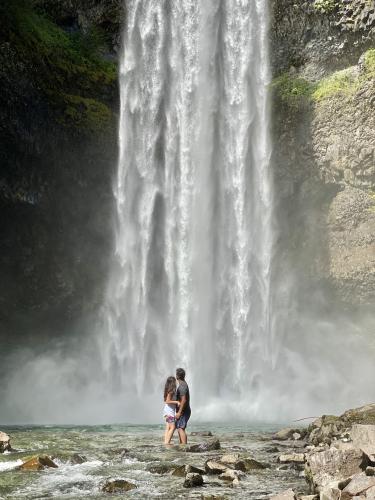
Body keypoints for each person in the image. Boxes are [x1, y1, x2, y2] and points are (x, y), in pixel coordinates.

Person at [175, 367, 191, 444]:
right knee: (180, 428)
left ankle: (184, 447)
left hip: (183, 411)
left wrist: (179, 412)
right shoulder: (183, 384)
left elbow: (184, 400)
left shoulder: (182, 386)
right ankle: (182, 445)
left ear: (177, 376)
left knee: (181, 428)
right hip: (184, 410)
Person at [163, 376, 180, 444]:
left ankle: (166, 442)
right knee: (173, 427)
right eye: (175, 381)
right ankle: (167, 443)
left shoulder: (169, 390)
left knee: (168, 428)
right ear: (172, 383)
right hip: (169, 412)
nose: (176, 382)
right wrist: (177, 402)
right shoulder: (171, 391)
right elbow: (167, 401)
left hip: (167, 411)